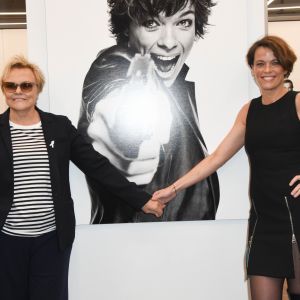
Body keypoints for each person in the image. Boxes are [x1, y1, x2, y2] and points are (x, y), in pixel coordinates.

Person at [0, 56, 164, 300]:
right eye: (11, 85)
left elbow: (97, 167)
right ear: (4, 89)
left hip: (51, 239)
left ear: (37, 89)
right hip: (7, 241)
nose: (18, 91)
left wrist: (141, 199)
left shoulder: (59, 127)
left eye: (26, 85)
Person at [153, 35, 300, 300]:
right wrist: (174, 188)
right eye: (260, 64)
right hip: (264, 221)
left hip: (297, 216)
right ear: (253, 70)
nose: (267, 70)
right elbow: (216, 157)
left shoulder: (298, 103)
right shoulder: (249, 111)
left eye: (274, 63)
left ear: (286, 67)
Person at [78, 0, 220, 224]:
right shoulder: (113, 64)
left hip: (187, 234)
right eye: (151, 24)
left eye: (183, 22)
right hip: (145, 234)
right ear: (126, 27)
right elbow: (110, 97)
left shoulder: (177, 83)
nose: (169, 42)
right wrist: (125, 138)